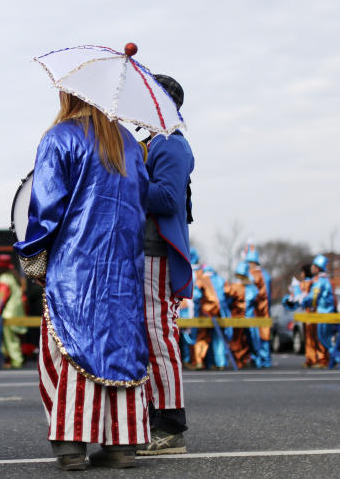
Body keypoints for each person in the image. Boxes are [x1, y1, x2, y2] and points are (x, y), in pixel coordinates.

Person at [14, 90, 150, 471]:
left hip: (75, 265)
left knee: (70, 347)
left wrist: (32, 254)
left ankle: (72, 444)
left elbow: (46, 205)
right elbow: (142, 200)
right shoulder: (127, 143)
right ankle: (122, 443)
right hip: (123, 264)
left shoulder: (60, 137)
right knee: (121, 345)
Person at [140, 74, 194, 456]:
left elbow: (168, 198)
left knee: (159, 337)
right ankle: (155, 417)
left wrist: (122, 179)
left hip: (156, 251)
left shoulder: (171, 144)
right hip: (145, 250)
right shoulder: (156, 142)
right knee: (150, 338)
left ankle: (171, 425)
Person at [0, 254, 27, 369]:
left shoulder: (4, 279)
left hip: (9, 314)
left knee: (11, 340)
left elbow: (1, 298)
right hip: (16, 312)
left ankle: (16, 361)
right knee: (13, 339)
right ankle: (13, 360)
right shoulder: (12, 277)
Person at [225, 262, 257, 369]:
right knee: (246, 340)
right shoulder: (251, 287)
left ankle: (239, 360)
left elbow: (228, 301)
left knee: (237, 340)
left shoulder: (234, 287)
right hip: (248, 318)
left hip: (237, 318)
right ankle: (244, 359)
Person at [245, 248, 272, 369]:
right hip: (265, 310)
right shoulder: (266, 275)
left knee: (255, 336)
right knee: (265, 335)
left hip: (255, 311)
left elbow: (251, 294)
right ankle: (266, 359)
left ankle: (259, 360)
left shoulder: (253, 275)